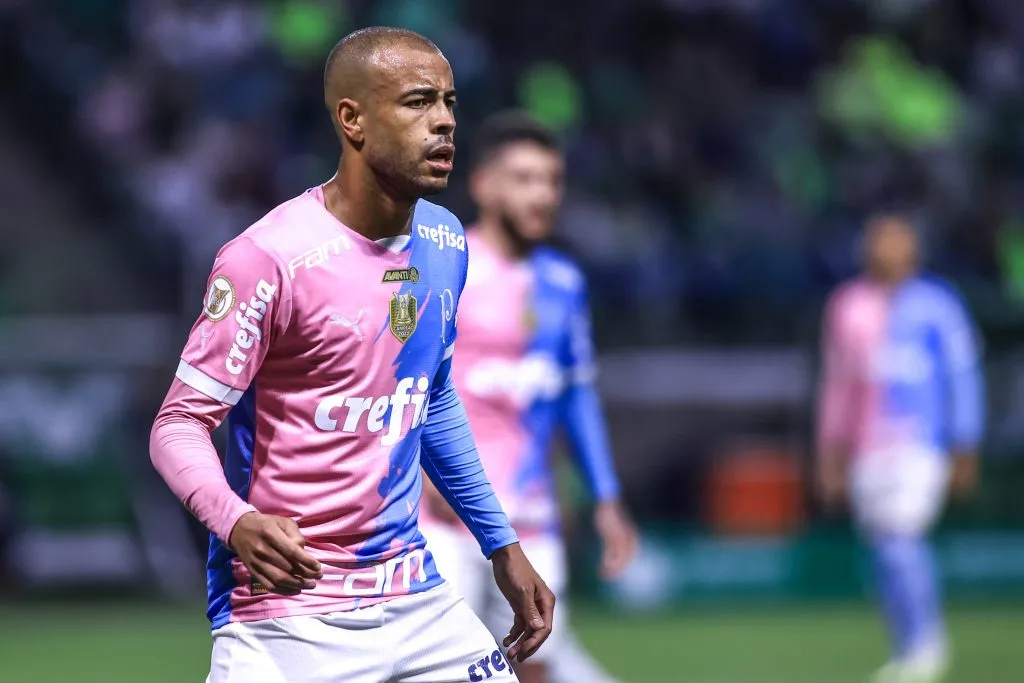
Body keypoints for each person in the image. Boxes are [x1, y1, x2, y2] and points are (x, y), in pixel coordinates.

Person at [149, 27, 555, 683]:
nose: (445, 121)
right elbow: (178, 424)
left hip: (418, 598)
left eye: (450, 102)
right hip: (285, 615)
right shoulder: (268, 258)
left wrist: (500, 543)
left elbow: (432, 396)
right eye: (418, 102)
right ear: (352, 119)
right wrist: (237, 520)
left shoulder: (445, 241)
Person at [419, 112, 637, 683]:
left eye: (551, 180)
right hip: (442, 518)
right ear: (484, 185)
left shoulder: (563, 282)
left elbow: (575, 397)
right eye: (524, 178)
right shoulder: (443, 264)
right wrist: (417, 476)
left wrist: (606, 498)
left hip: (532, 518)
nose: (542, 194)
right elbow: (402, 384)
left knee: (532, 665)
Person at [816, 213, 984, 683]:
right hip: (867, 446)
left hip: (918, 441)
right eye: (876, 240)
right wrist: (830, 450)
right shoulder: (847, 305)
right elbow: (837, 386)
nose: (883, 249)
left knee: (900, 537)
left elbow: (962, 378)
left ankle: (927, 641)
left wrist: (964, 441)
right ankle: (906, 643)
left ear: (913, 248)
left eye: (894, 239)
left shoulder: (939, 305)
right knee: (881, 549)